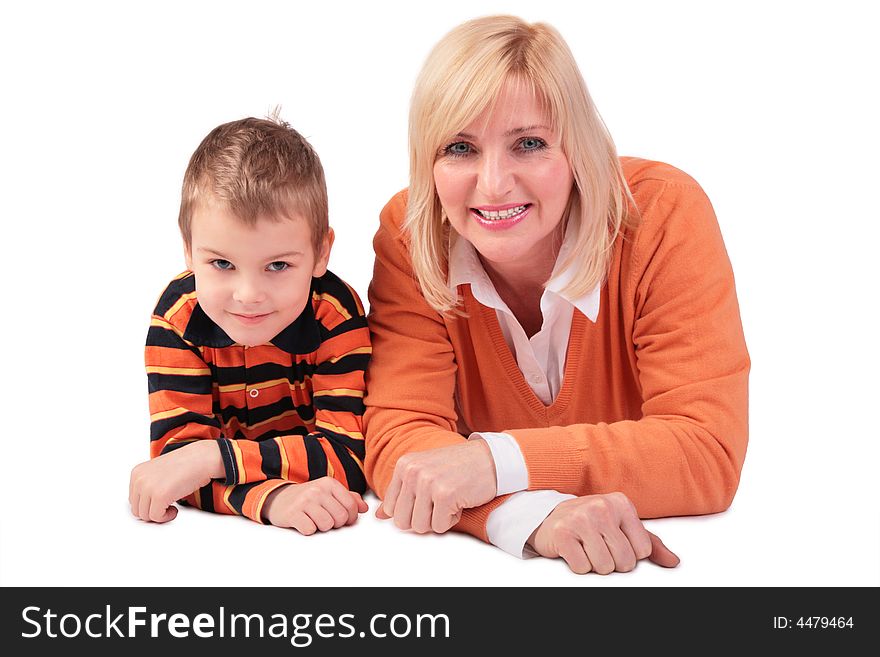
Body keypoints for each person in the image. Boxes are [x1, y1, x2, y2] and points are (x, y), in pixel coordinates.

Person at [364, 15, 750, 574]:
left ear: (577, 150)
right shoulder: (411, 233)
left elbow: (705, 454)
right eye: (459, 147)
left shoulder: (662, 215)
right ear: (429, 161)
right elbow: (403, 447)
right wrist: (529, 517)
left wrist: (493, 462)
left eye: (529, 143)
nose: (493, 184)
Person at [129, 114, 370, 535]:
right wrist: (272, 498)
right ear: (188, 250)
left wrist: (212, 459)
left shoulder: (336, 315)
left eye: (277, 265)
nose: (248, 294)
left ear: (320, 253)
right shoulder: (177, 321)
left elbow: (350, 457)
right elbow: (174, 472)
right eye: (222, 263)